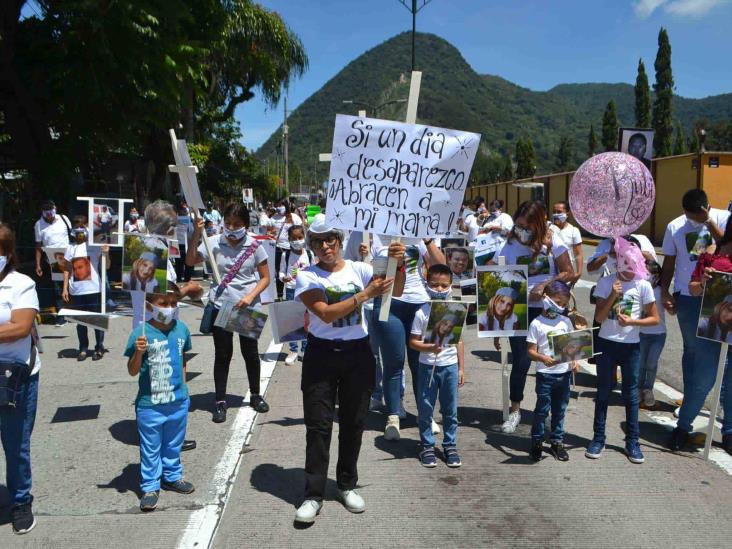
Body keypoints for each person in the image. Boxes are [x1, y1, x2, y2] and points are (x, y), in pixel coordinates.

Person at [293, 214, 405, 524]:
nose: (327, 246)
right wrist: (364, 295)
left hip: (358, 354)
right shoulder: (307, 276)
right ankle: (313, 494)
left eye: (331, 240)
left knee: (354, 423)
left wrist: (399, 263)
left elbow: (394, 290)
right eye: (319, 242)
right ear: (312, 246)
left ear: (341, 242)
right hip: (321, 356)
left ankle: (346, 484)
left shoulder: (361, 268)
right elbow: (326, 314)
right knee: (318, 426)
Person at [491, 201, 573, 433]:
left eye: (526, 227)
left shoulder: (553, 240)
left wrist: (547, 285)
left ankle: (547, 413)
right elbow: (498, 277)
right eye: (518, 226)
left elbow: (568, 272)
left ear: (537, 225)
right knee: (522, 360)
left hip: (550, 310)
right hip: (519, 310)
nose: (521, 231)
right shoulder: (509, 243)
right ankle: (515, 410)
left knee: (555, 361)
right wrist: (496, 325)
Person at [187, 203, 271, 423]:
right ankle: (220, 401)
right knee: (223, 355)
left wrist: (250, 296)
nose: (232, 228)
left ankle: (255, 395)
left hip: (247, 307)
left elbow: (265, 278)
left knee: (250, 353)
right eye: (228, 223)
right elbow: (190, 260)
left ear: (246, 224)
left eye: (237, 224)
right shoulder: (213, 242)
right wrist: (197, 233)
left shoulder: (254, 246)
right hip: (222, 306)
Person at [587, 238, 659, 464]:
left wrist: (633, 323)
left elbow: (654, 318)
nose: (629, 271)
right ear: (617, 262)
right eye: (624, 264)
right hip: (606, 343)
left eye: (633, 264)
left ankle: (633, 441)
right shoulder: (607, 282)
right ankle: (598, 438)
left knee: (630, 395)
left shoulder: (643, 285)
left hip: (631, 347)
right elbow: (599, 318)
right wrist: (612, 295)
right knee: (603, 392)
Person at [124, 292, 195, 512]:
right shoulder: (141, 333)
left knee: (173, 444)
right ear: (149, 305)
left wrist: (184, 390)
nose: (169, 307)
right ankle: (150, 486)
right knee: (150, 448)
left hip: (177, 401)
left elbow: (183, 359)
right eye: (163, 303)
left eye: (173, 303)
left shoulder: (181, 328)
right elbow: (132, 371)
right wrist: (138, 352)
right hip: (150, 405)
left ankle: (172, 476)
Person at [371, 233, 445, 440]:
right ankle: (393, 415)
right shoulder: (374, 233)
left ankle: (426, 413)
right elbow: (368, 272)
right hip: (389, 304)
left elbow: (442, 267)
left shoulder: (421, 234)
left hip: (420, 304)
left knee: (421, 363)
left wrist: (427, 240)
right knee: (394, 363)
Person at [660, 189, 729, 411]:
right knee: (692, 350)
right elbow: (669, 263)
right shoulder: (675, 226)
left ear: (706, 208)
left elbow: (726, 247)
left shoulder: (724, 219)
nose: (691, 220)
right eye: (689, 216)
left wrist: (708, 223)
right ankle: (688, 402)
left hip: (719, 297)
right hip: (688, 296)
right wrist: (665, 292)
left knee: (723, 355)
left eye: (695, 216)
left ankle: (724, 416)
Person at [670, 220, 732, 455]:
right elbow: (693, 286)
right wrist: (704, 281)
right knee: (703, 380)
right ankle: (682, 427)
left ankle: (729, 432)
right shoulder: (710, 250)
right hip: (713, 324)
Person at [0, 223, 41, 534]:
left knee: (16, 444)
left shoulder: (20, 284)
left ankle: (20, 501)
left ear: (7, 253)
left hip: (15, 377)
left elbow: (21, 326)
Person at [409, 264, 465, 468]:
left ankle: (450, 445)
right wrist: (429, 347)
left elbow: (459, 340)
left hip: (449, 366)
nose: (439, 289)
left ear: (451, 285)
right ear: (427, 284)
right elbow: (413, 341)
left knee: (450, 409)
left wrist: (461, 368)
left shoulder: (456, 309)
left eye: (444, 285)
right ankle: (427, 446)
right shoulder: (422, 312)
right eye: (435, 285)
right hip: (427, 366)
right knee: (426, 407)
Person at [526, 281, 576, 462]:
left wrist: (575, 360)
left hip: (563, 373)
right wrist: (543, 358)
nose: (560, 307)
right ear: (546, 299)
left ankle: (557, 441)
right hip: (545, 374)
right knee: (542, 410)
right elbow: (531, 350)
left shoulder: (565, 321)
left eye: (564, 304)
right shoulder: (536, 324)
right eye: (558, 302)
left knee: (560, 409)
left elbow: (572, 344)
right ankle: (537, 442)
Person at [62, 216, 110, 361]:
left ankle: (99, 347)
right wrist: (65, 288)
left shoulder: (94, 246)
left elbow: (106, 265)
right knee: (81, 322)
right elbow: (66, 269)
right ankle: (83, 348)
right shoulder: (70, 248)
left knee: (97, 320)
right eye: (77, 231)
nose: (79, 234)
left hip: (94, 289)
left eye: (82, 230)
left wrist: (106, 253)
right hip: (76, 290)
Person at [34, 200, 72, 325]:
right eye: (46, 210)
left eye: (51, 209)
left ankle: (76, 313)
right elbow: (38, 246)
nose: (49, 212)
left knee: (73, 285)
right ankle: (62, 316)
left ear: (55, 208)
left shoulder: (63, 219)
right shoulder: (39, 225)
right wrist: (38, 264)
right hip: (54, 258)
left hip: (69, 255)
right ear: (42, 212)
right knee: (58, 288)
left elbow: (74, 235)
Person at [278, 225, 312, 365]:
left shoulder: (309, 254)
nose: (297, 240)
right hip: (291, 289)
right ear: (289, 239)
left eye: (300, 237)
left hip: (306, 290)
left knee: (306, 321)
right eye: (294, 238)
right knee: (292, 321)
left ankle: (304, 350)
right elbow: (280, 272)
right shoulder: (285, 255)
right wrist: (283, 278)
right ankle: (293, 350)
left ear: (304, 237)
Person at [638, 258, 666, 408]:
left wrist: (672, 305)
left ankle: (648, 389)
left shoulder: (661, 292)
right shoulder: (640, 289)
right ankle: (639, 388)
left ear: (658, 276)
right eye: (645, 273)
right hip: (641, 333)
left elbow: (672, 309)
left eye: (651, 274)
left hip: (658, 334)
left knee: (651, 363)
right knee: (641, 363)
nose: (648, 276)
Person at [269, 199, 302, 300]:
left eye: (281, 205)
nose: (279, 207)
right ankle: (279, 296)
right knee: (279, 272)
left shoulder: (294, 217)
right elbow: (268, 232)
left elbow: (301, 232)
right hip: (278, 248)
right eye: (277, 205)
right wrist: (270, 234)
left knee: (293, 271)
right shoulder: (273, 218)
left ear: (286, 206)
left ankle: (294, 294)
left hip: (292, 249)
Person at [550, 201, 583, 285]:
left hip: (566, 272)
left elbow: (578, 254)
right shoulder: (548, 229)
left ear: (567, 213)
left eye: (559, 212)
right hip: (549, 270)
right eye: (554, 212)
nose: (556, 214)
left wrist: (578, 273)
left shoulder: (573, 231)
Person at [175, 199, 194, 283]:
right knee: (187, 262)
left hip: (176, 244)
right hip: (185, 244)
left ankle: (178, 278)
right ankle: (187, 279)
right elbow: (191, 231)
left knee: (178, 263)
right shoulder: (188, 220)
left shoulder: (174, 220)